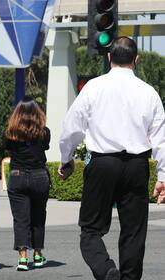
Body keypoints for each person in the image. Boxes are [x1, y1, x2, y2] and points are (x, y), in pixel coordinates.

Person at [58, 37, 165, 280]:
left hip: (102, 164)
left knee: (90, 232)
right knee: (134, 233)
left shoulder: (93, 88)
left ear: (109, 58)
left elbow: (71, 128)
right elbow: (161, 139)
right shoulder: (150, 93)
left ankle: (107, 272)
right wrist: (163, 176)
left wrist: (66, 159)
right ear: (136, 60)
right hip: (137, 166)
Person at [4, 96, 50, 271]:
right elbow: (44, 147)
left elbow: (7, 147)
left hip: (17, 175)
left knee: (20, 218)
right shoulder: (44, 132)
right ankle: (38, 255)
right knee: (38, 217)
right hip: (39, 175)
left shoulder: (10, 133)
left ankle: (22, 258)